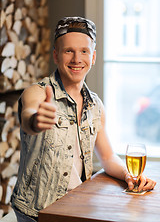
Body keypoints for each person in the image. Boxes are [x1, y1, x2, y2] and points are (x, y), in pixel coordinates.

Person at [11, 16, 156, 222]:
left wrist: (128, 176)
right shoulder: (37, 93)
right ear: (56, 55)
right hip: (37, 214)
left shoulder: (95, 105)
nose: (77, 59)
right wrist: (35, 121)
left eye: (84, 51)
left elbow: (106, 157)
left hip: (75, 206)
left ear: (93, 57)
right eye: (68, 51)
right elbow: (29, 117)